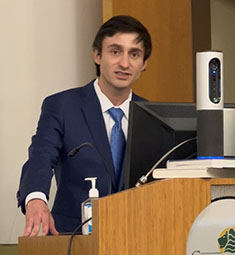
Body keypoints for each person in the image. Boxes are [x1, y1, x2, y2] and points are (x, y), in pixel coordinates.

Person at [17, 15, 152, 236]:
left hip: (137, 237)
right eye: (115, 51)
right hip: (73, 238)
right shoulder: (62, 106)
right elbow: (40, 156)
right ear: (97, 55)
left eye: (134, 54)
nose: (125, 63)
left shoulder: (153, 115)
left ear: (144, 63)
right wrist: (36, 199)